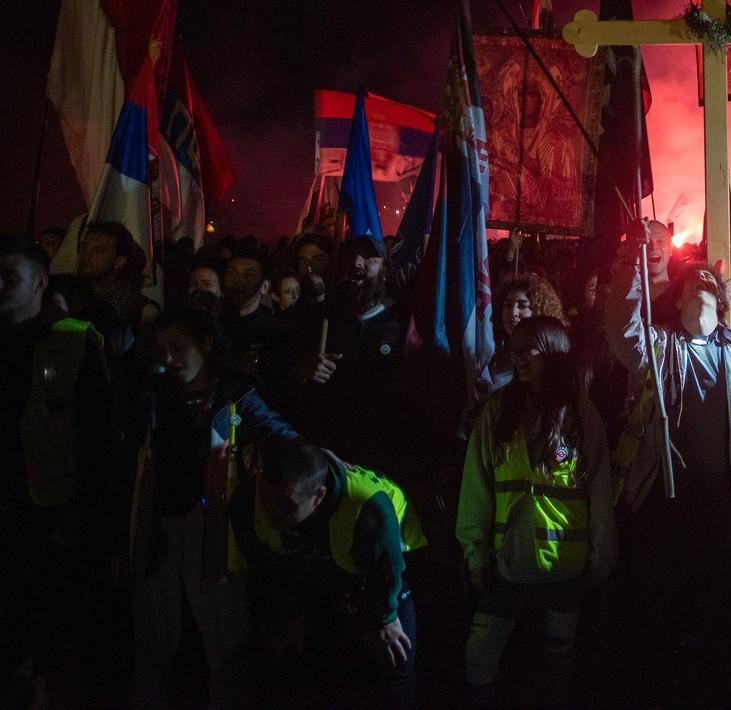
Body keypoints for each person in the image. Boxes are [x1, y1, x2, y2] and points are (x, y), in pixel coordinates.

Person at [604, 222, 731, 703]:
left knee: (715, 605)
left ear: (723, 304)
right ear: (676, 302)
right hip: (662, 494)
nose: (703, 287)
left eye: (711, 285)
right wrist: (629, 263)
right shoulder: (656, 346)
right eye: (693, 283)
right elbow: (620, 323)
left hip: (719, 497)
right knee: (659, 603)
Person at [128, 307, 297, 709]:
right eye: (162, 350)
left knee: (226, 643)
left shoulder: (236, 394)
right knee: (152, 639)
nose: (169, 359)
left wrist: (320, 462)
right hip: (159, 526)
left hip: (217, 529)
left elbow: (282, 437)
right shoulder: (154, 393)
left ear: (206, 343)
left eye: (178, 347)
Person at [457, 316, 616, 702]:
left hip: (565, 567)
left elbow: (599, 488)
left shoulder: (581, 414)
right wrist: (476, 554)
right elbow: (476, 488)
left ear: (554, 350)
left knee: (557, 662)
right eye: (516, 347)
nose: (519, 355)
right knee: (479, 658)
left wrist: (602, 557)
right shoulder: (497, 412)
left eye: (531, 347)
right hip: (508, 564)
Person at [228, 438, 424, 710]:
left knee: (396, 659)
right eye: (266, 498)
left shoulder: (367, 508)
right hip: (319, 570)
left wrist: (385, 618)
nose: (272, 513)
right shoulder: (247, 503)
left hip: (378, 569)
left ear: (318, 496)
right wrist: (290, 616)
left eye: (286, 505)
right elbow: (267, 569)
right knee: (313, 661)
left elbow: (386, 570)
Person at [0, 236, 113, 705]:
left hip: (46, 507)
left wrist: (85, 512)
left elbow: (100, 435)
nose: (0, 285)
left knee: (46, 620)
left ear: (40, 283)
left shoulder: (76, 339)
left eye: (10, 277)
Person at [296, 235, 415, 477]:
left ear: (384, 268)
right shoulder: (323, 317)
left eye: (368, 257)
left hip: (379, 455)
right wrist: (303, 369)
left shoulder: (401, 321)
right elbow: (286, 368)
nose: (357, 263)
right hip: (327, 452)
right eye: (351, 256)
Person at [222, 247, 292, 385]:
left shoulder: (277, 331)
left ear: (265, 286)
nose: (237, 280)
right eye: (231, 272)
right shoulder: (212, 323)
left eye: (248, 275)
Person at [77, 220, 157, 328]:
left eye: (98, 250)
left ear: (119, 262)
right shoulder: (68, 296)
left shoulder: (138, 310)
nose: (85, 255)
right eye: (84, 248)